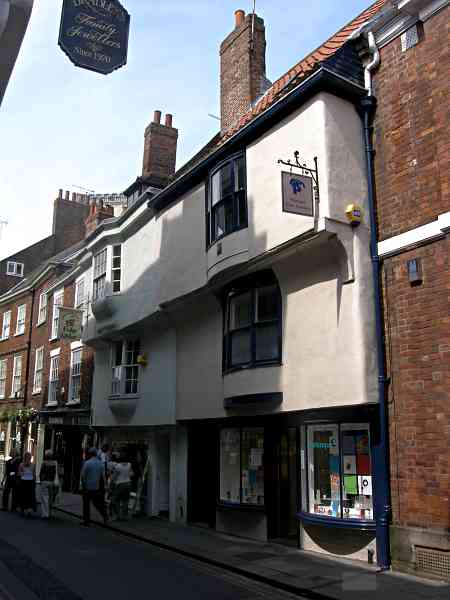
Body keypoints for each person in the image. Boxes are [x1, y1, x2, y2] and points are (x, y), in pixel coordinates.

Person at [80, 447, 108, 526]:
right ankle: (105, 515)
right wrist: (105, 485)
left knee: (86, 504)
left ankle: (86, 521)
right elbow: (103, 476)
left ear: (90, 454)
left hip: (87, 487)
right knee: (98, 503)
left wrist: (82, 485)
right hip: (96, 487)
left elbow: (83, 475)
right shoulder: (100, 463)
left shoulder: (87, 463)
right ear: (96, 454)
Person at [110, 452, 133, 521]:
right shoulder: (129, 464)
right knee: (125, 500)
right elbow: (132, 474)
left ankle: (118, 515)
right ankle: (124, 516)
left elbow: (114, 477)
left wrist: (111, 483)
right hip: (128, 483)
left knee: (116, 500)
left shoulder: (117, 466)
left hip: (120, 484)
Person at [38, 450, 59, 519]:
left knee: (44, 498)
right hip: (52, 482)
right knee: (50, 498)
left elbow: (41, 473)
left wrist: (41, 480)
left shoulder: (44, 463)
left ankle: (45, 513)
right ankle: (50, 513)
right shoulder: (55, 463)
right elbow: (56, 473)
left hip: (45, 481)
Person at [18, 452, 36, 516]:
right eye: (27, 457)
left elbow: (34, 474)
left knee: (26, 496)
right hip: (26, 481)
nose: (28, 458)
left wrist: (23, 473)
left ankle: (26, 510)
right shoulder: (23, 464)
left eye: (29, 457)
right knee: (26, 496)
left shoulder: (31, 465)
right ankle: (25, 510)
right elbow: (19, 473)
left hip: (27, 481)